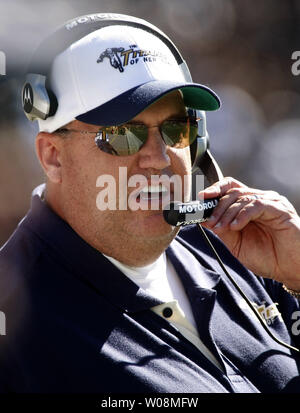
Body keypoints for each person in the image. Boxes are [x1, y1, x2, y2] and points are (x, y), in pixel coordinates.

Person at [0, 12, 300, 394]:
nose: (158, 158)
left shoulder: (240, 249)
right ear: (53, 157)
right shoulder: (14, 324)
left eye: (177, 129)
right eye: (123, 133)